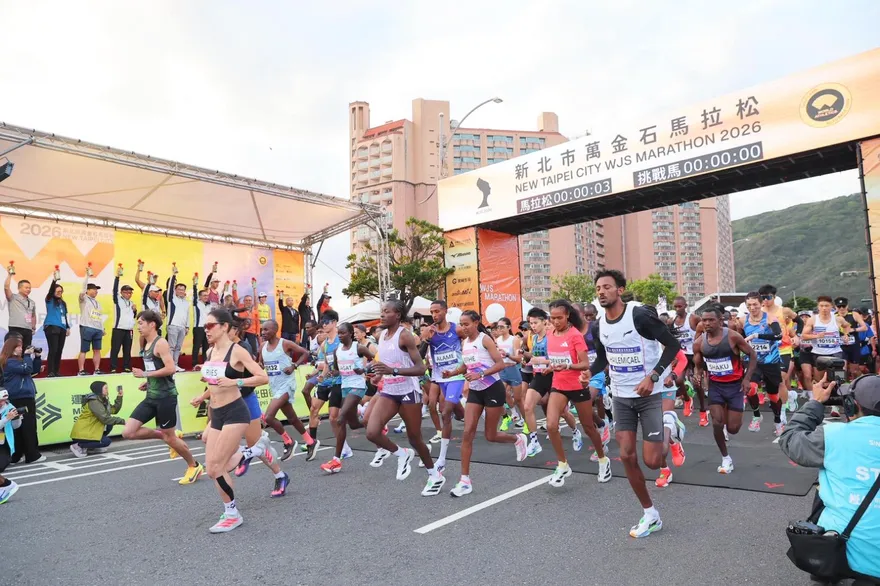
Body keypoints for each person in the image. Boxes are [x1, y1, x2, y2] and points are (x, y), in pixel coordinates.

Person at [588, 269, 680, 538]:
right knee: (627, 456)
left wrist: (653, 376)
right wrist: (589, 373)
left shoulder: (638, 316)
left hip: (649, 396)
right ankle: (650, 514)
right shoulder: (598, 325)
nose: (602, 292)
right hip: (621, 397)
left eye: (607, 287)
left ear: (620, 290)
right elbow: (603, 358)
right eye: (598, 288)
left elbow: (672, 346)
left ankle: (670, 425)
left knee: (652, 461)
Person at [779, 374, 880, 583]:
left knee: (825, 484)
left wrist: (815, 403)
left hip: (843, 553)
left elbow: (790, 439)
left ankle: (825, 574)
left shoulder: (834, 436)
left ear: (851, 406)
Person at [198, 308, 270, 532]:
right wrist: (203, 394)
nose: (206, 330)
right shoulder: (210, 352)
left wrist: (236, 382)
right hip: (216, 413)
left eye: (210, 326)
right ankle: (251, 452)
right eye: (205, 326)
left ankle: (232, 514)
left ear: (224, 327)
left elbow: (263, 377)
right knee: (214, 469)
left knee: (215, 468)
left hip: (235, 412)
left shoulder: (237, 351)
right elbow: (214, 382)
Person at [440, 310, 527, 496]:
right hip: (475, 391)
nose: (463, 327)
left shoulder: (485, 339)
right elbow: (466, 365)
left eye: (466, 324)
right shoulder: (465, 342)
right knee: (467, 433)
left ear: (476, 322)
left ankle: (518, 439)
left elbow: (500, 364)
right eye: (461, 324)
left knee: (490, 435)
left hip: (493, 389)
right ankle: (465, 481)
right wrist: (452, 373)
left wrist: (480, 374)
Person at [364, 300, 445, 497]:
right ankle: (402, 453)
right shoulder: (382, 336)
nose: (382, 315)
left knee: (415, 438)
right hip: (390, 391)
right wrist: (379, 375)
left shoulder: (405, 336)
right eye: (382, 311)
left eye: (386, 312)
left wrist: (393, 371)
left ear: (398, 315)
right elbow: (385, 363)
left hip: (409, 391)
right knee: (372, 432)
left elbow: (420, 368)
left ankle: (434, 475)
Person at [124, 310, 204, 485]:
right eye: (138, 323)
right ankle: (164, 435)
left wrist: (145, 374)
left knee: (171, 438)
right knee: (128, 432)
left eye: (141, 323)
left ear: (152, 324)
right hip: (151, 396)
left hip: (166, 398)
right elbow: (156, 368)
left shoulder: (160, 343)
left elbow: (170, 368)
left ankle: (194, 465)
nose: (138, 327)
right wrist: (148, 381)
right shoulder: (145, 342)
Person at [545, 300, 610, 486]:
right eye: (552, 318)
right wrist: (550, 367)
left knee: (588, 427)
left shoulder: (574, 335)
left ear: (567, 315)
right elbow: (553, 359)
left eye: (559, 317)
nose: (556, 321)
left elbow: (585, 364)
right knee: (551, 425)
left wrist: (567, 366)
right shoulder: (550, 334)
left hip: (578, 385)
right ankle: (562, 464)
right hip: (558, 385)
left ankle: (603, 460)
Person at [692, 305, 757, 473]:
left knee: (733, 429)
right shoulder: (699, 343)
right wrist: (697, 376)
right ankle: (726, 458)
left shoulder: (733, 337)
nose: (707, 323)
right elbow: (698, 366)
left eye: (711, 320)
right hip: (716, 386)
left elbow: (752, 355)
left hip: (735, 386)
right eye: (704, 320)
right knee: (717, 423)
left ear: (720, 321)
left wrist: (747, 379)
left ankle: (734, 408)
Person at [321, 322, 375, 473]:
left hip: (358, 386)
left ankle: (336, 460)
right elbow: (337, 369)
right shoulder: (337, 350)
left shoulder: (358, 348)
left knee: (340, 419)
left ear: (351, 333)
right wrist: (334, 373)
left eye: (343, 333)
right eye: (339, 333)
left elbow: (375, 359)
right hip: (345, 387)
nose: (340, 335)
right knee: (353, 424)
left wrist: (364, 369)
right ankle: (373, 424)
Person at [259, 319, 315, 461]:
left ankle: (288, 441)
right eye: (262, 330)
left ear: (275, 330)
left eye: (266, 329)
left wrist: (294, 366)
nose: (263, 332)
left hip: (286, 385)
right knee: (292, 418)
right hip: (274, 386)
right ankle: (310, 441)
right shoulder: (262, 346)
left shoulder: (285, 344)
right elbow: (260, 364)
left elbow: (305, 353)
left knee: (268, 417)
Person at [427, 300, 466, 473]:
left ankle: (442, 459)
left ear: (445, 311)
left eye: (437, 311)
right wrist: (427, 339)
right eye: (432, 312)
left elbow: (471, 341)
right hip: (440, 377)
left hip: (456, 375)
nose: (434, 315)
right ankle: (464, 408)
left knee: (445, 412)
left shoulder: (456, 329)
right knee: (458, 413)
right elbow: (419, 352)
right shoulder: (430, 331)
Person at [740, 291, 786, 436]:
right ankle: (756, 415)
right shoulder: (743, 320)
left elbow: (778, 335)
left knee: (773, 396)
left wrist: (756, 335)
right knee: (750, 388)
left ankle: (778, 421)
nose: (752, 308)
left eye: (755, 304)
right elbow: (738, 338)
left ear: (761, 304)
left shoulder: (769, 318)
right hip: (753, 361)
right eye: (749, 305)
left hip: (771, 361)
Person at [802, 296, 852, 419]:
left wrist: (846, 335)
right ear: (818, 307)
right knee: (820, 380)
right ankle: (819, 404)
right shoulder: (813, 320)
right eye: (821, 306)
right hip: (818, 353)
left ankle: (835, 406)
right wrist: (816, 336)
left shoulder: (838, 319)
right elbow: (804, 335)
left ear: (831, 307)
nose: (824, 308)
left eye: (826, 306)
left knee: (837, 379)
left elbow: (847, 326)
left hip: (836, 352)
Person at [0, 336, 44, 463]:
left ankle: (16, 455)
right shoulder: (9, 362)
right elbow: (27, 369)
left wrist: (37, 357)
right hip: (21, 397)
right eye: (18, 347)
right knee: (28, 426)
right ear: (11, 348)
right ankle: (32, 455)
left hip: (21, 396)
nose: (21, 349)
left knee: (19, 427)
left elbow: (33, 371)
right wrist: (27, 355)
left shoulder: (16, 361)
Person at [307, 311, 342, 462]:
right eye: (322, 322)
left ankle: (343, 446)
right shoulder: (324, 344)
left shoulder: (341, 340)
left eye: (326, 322)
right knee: (313, 409)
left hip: (339, 382)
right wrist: (321, 374)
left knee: (334, 417)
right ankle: (312, 442)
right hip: (326, 381)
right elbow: (326, 363)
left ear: (334, 322)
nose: (324, 325)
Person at [670, 296, 707, 426]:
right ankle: (687, 399)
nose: (677, 309)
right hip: (683, 355)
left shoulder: (693, 318)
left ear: (685, 306)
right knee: (678, 380)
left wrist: (701, 342)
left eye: (680, 306)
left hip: (696, 354)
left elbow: (705, 328)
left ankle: (703, 411)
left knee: (698, 383)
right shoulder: (672, 321)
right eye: (675, 307)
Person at [69, 381, 126, 457]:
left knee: (109, 425)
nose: (107, 390)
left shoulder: (102, 400)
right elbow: (105, 418)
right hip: (83, 433)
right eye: (105, 388)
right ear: (99, 390)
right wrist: (124, 422)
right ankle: (78, 446)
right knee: (106, 441)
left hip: (91, 430)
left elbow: (114, 410)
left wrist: (119, 397)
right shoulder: (94, 401)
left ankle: (92, 447)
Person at [494, 317, 524, 431]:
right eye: (498, 327)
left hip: (513, 369)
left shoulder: (514, 339)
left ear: (509, 327)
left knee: (518, 399)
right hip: (502, 370)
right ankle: (511, 414)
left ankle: (526, 421)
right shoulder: (498, 340)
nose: (499, 329)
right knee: (500, 395)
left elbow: (518, 359)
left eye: (502, 327)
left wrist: (507, 355)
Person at [835, 296, 869, 381]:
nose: (841, 308)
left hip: (854, 345)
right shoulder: (833, 316)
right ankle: (841, 385)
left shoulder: (854, 314)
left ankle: (859, 383)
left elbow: (865, 327)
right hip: (840, 346)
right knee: (841, 368)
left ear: (847, 306)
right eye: (839, 306)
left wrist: (853, 329)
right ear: (835, 307)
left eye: (843, 306)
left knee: (854, 370)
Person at [78, 277, 105, 376]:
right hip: (86, 327)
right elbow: (82, 289)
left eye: (96, 289)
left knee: (97, 350)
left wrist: (102, 328)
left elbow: (99, 316)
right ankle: (81, 370)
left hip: (97, 329)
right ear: (87, 290)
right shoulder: (84, 299)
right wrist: (87, 275)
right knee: (84, 350)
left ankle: (97, 369)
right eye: (94, 289)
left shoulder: (98, 303)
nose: (96, 291)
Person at [110, 271, 136, 373]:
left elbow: (132, 316)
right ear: (121, 292)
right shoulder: (117, 300)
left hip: (129, 330)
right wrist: (117, 277)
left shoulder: (132, 303)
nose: (128, 294)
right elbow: (114, 290)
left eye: (130, 293)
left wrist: (135, 310)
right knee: (115, 349)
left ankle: (126, 366)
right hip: (118, 328)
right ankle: (113, 367)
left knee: (127, 349)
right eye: (126, 292)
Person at [43, 279, 70, 377]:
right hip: (51, 326)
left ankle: (56, 371)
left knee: (59, 350)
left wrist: (67, 327)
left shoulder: (63, 303)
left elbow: (64, 316)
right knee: (53, 349)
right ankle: (50, 371)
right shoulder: (50, 299)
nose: (59, 293)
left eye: (61, 291)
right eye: (57, 291)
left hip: (62, 327)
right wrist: (54, 280)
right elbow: (50, 291)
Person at [0, 389, 22, 503]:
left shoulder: (10, 408)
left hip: (4, 445)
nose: (2, 403)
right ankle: (5, 485)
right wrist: (6, 418)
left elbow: (15, 426)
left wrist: (17, 418)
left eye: (4, 400)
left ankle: (7, 485)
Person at [4, 271, 36, 348]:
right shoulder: (13, 297)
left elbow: (33, 315)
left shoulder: (32, 302)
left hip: (28, 330)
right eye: (26, 287)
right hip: (15, 328)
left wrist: (33, 327)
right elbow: (6, 287)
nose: (28, 289)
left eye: (29, 288)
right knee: (14, 350)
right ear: (19, 288)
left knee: (26, 351)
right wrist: (9, 275)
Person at [232, 283, 260, 357]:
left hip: (252, 331)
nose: (248, 302)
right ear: (244, 301)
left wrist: (257, 331)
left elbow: (257, 321)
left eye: (250, 300)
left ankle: (253, 360)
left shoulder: (255, 309)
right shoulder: (240, 307)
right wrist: (234, 289)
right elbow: (235, 299)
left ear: (252, 301)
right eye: (246, 300)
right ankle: (239, 359)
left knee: (254, 348)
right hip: (242, 331)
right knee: (239, 346)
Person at [192, 286, 211, 368]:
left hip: (207, 328)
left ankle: (205, 364)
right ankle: (194, 364)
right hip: (198, 328)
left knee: (206, 346)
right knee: (196, 346)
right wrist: (195, 285)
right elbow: (194, 294)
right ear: (199, 296)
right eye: (204, 295)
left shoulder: (208, 306)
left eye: (207, 295)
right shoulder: (196, 303)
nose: (206, 297)